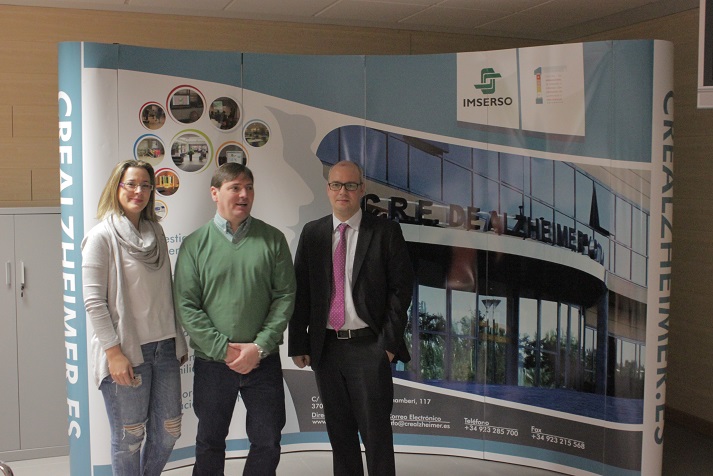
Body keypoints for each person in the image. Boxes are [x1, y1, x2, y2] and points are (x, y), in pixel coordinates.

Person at [288, 160, 415, 476]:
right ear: (328, 189)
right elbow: (301, 291)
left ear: (362, 189)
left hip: (369, 348)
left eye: (350, 185)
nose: (342, 191)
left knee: (376, 436)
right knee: (340, 436)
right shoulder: (313, 233)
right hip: (326, 349)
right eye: (336, 185)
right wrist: (299, 343)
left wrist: (387, 346)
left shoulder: (385, 232)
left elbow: (401, 291)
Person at [173, 162, 296, 476]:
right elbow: (187, 306)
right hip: (213, 364)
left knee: (268, 440)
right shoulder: (194, 244)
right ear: (215, 193)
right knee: (210, 442)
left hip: (262, 361)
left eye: (249, 188)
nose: (244, 195)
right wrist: (223, 350)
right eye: (235, 188)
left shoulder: (273, 240)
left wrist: (259, 347)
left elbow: (285, 297)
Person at [81, 159, 188, 476]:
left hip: (164, 349)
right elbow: (94, 302)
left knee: (168, 432)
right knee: (129, 440)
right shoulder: (101, 237)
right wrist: (113, 353)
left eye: (145, 185)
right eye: (131, 184)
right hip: (127, 352)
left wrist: (177, 341)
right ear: (117, 187)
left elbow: (165, 293)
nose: (138, 191)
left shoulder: (156, 231)